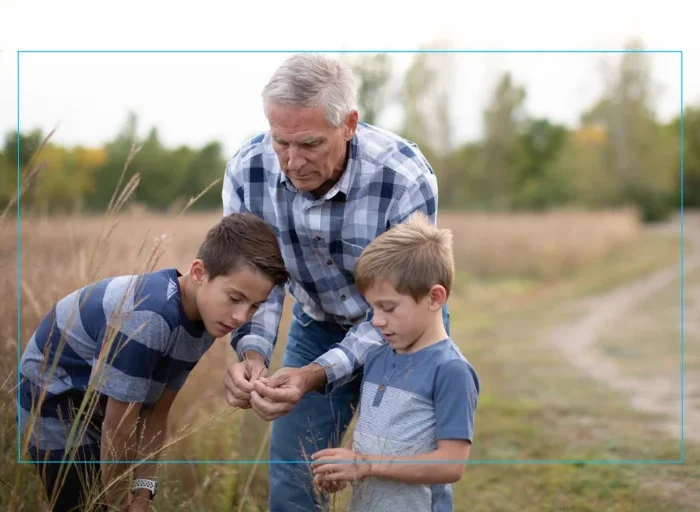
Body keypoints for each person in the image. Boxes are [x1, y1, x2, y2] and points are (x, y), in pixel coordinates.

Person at [221, 52, 449, 511]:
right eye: (280, 141)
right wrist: (252, 354)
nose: (292, 161)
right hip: (317, 322)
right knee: (294, 478)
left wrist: (314, 375)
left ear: (348, 124)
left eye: (309, 144)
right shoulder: (248, 172)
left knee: (406, 483)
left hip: (407, 331)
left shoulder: (403, 178)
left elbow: (400, 302)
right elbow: (256, 282)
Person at [18, 213, 288, 512]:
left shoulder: (208, 318)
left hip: (103, 407)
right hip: (56, 403)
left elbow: (156, 412)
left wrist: (142, 493)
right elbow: (118, 428)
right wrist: (122, 501)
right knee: (84, 502)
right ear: (199, 272)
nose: (241, 318)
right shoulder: (150, 315)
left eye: (254, 306)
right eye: (235, 297)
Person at [310, 212, 479, 512]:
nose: (376, 320)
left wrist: (364, 465)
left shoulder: (451, 371)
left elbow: (452, 464)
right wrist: (344, 464)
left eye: (388, 307)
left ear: (435, 298)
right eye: (372, 308)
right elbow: (369, 431)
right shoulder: (376, 357)